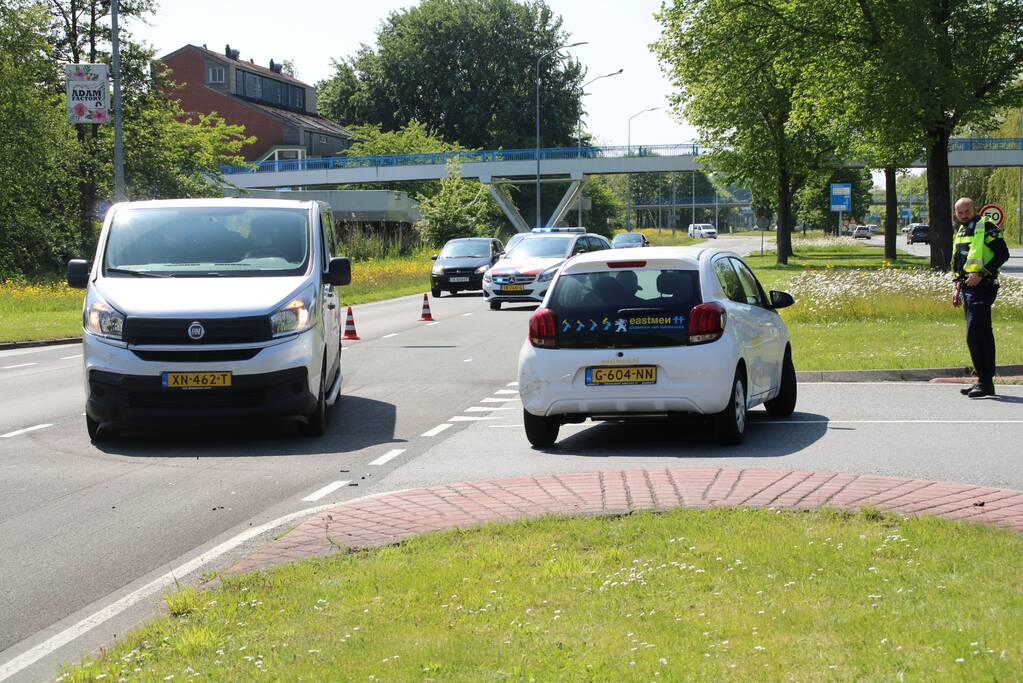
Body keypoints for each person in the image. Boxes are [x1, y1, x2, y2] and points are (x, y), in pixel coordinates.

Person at [950, 198, 1010, 398]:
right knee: (977, 335)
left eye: (967, 211)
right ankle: (983, 381)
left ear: (974, 209)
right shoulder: (962, 230)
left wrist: (981, 274)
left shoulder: (986, 226)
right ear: (955, 213)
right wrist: (956, 287)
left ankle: (985, 382)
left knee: (977, 334)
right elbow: (960, 261)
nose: (963, 215)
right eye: (960, 213)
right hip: (967, 288)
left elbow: (1002, 254)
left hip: (983, 286)